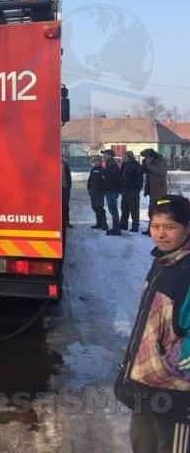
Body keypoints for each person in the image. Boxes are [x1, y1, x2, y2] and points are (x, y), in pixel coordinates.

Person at [114, 194, 190, 453]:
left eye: (170, 226)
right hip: (147, 383)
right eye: (155, 226)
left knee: (169, 447)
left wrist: (171, 368)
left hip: (174, 391)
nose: (160, 233)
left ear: (188, 227)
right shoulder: (164, 261)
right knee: (142, 443)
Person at [141, 148, 169, 236]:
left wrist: (149, 165)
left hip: (160, 191)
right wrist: (144, 165)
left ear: (151, 156)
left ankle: (158, 231)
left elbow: (161, 172)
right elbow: (144, 173)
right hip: (152, 191)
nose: (146, 159)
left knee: (159, 212)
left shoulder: (161, 161)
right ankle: (151, 229)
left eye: (147, 157)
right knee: (151, 212)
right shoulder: (151, 162)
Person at [120, 150, 144, 233]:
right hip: (125, 190)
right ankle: (123, 225)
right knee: (124, 208)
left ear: (129, 157)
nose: (123, 157)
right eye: (123, 156)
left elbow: (140, 179)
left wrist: (136, 189)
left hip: (133, 191)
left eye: (125, 156)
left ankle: (135, 226)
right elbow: (122, 177)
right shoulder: (124, 164)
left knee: (134, 209)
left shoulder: (136, 165)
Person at [102, 149, 122, 236]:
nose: (103, 156)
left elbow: (113, 179)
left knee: (113, 210)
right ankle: (115, 228)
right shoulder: (110, 164)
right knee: (112, 210)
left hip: (112, 190)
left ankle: (116, 230)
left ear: (109, 156)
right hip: (110, 190)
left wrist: (104, 172)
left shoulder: (112, 165)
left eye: (105, 154)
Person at [87, 155, 108, 230]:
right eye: (95, 161)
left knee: (99, 207)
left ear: (100, 162)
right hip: (93, 191)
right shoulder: (93, 169)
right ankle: (98, 223)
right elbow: (90, 180)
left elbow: (104, 181)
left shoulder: (102, 170)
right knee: (94, 207)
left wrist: (102, 190)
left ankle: (104, 224)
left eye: (97, 161)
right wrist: (89, 188)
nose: (96, 162)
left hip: (99, 192)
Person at [62, 156, 73, 228]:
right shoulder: (51, 162)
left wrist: (68, 187)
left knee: (65, 205)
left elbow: (68, 176)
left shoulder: (65, 164)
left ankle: (66, 221)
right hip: (54, 189)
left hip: (64, 188)